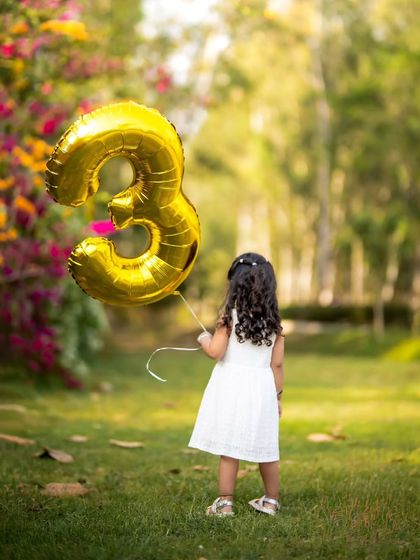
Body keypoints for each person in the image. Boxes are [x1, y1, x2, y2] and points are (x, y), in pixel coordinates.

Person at [188, 252, 285, 517]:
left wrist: (203, 338)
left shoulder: (228, 318)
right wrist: (277, 396)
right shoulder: (275, 324)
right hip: (262, 388)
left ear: (235, 285)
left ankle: (225, 503)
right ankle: (271, 501)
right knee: (267, 447)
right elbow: (276, 365)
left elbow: (215, 352)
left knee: (229, 446)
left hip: (232, 387)